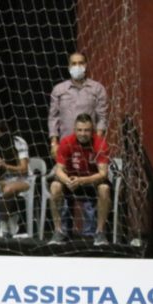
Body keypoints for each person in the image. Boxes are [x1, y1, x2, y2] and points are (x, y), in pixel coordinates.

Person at [48, 52, 109, 236]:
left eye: (81, 62)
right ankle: (63, 232)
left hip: (89, 148)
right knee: (62, 185)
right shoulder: (59, 90)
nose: (77, 66)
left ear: (86, 65)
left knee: (92, 190)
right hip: (65, 148)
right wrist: (54, 142)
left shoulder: (97, 89)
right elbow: (53, 117)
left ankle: (92, 234)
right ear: (68, 66)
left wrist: (96, 142)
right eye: (73, 63)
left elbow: (102, 117)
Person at [49, 113, 111, 247]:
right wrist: (67, 181)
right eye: (80, 130)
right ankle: (58, 231)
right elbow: (59, 170)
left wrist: (82, 180)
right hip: (71, 181)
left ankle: (100, 232)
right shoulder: (66, 142)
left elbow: (103, 174)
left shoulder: (100, 143)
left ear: (92, 130)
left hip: (91, 182)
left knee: (105, 188)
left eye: (87, 130)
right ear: (75, 129)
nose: (83, 134)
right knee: (55, 186)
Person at [0, 120, 30, 238]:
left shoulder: (18, 142)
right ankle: (8, 221)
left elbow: (24, 169)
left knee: (8, 189)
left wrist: (5, 166)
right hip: (2, 180)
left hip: (23, 179)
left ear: (6, 131)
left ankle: (4, 223)